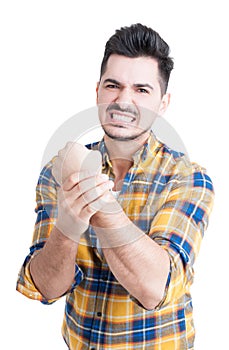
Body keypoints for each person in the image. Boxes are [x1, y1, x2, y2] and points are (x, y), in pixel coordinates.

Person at [16, 23, 214, 349]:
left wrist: (98, 203)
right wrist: (66, 228)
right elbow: (46, 288)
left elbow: (154, 289)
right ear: (97, 91)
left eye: (141, 90)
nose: (123, 100)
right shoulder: (59, 170)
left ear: (163, 103)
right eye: (113, 85)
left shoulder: (189, 179)